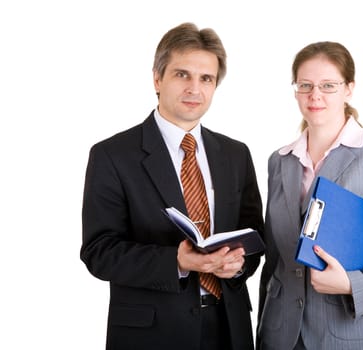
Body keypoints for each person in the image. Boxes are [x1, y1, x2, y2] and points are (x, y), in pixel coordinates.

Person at [81, 22, 264, 350]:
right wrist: (177, 263)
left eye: (206, 78)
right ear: (157, 78)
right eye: (182, 74)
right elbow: (99, 252)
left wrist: (239, 265)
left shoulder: (236, 154)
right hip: (152, 334)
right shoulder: (113, 155)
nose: (195, 88)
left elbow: (254, 238)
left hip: (229, 328)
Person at [257, 41, 363, 350]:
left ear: (349, 89)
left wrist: (353, 284)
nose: (315, 95)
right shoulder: (279, 161)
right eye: (305, 85)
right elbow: (275, 263)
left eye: (328, 85)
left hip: (352, 336)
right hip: (282, 337)